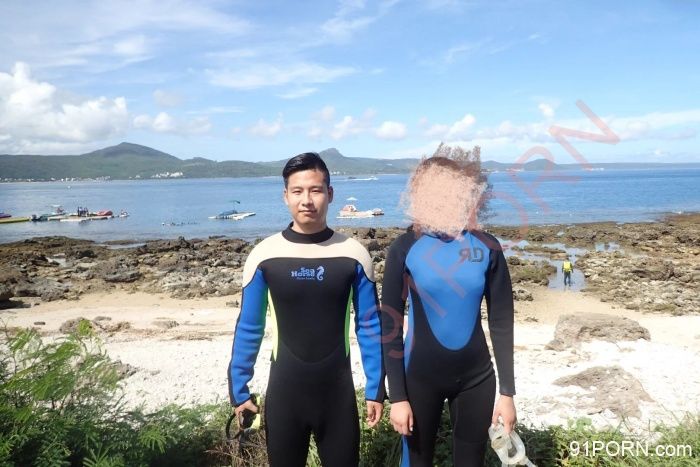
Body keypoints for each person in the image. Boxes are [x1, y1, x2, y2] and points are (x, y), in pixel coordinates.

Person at [227, 152, 385, 467]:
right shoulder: (264, 255)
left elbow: (369, 326)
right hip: (285, 398)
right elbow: (250, 326)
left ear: (330, 194)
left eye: (315, 190)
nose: (307, 200)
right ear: (285, 196)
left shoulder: (354, 255)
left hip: (337, 399)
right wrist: (239, 389)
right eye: (297, 191)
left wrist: (375, 388)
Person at [381, 154, 516, 466]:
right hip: (418, 380)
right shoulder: (405, 248)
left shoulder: (487, 247)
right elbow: (390, 326)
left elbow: (501, 322)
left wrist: (507, 393)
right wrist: (397, 397)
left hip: (476, 379)